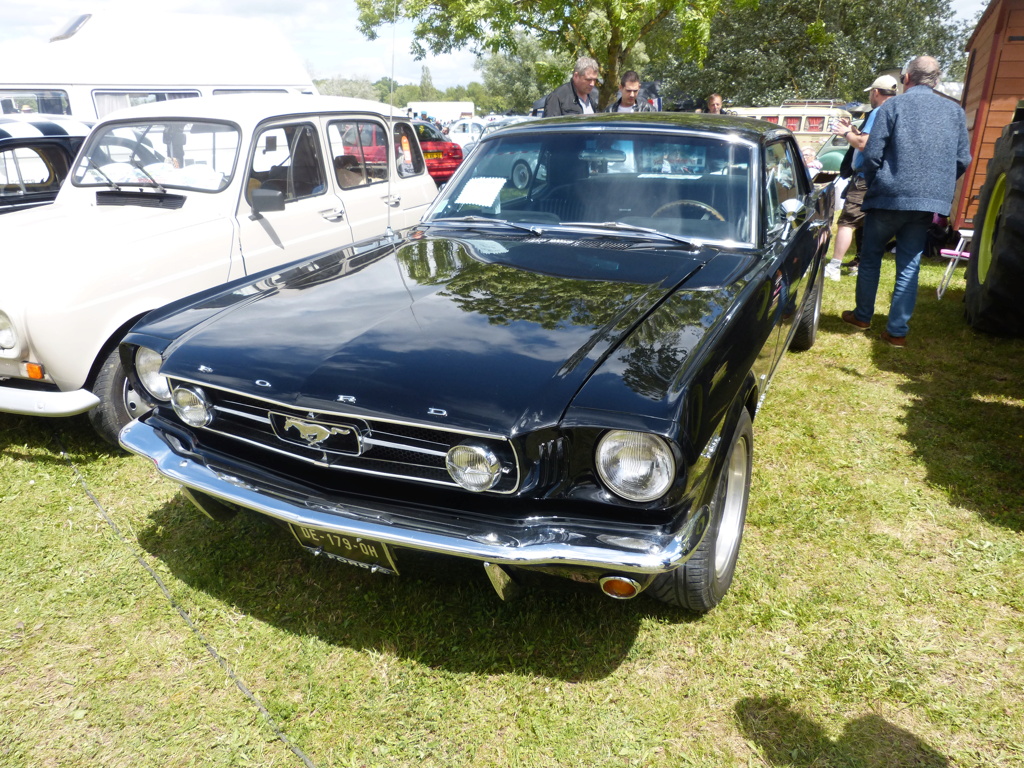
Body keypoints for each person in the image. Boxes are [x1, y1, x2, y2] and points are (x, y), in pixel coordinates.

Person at [842, 56, 971, 347]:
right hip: (927, 203)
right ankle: (896, 333)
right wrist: (937, 187)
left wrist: (876, 183)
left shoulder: (893, 106)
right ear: (936, 80)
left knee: (871, 257)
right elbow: (963, 159)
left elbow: (873, 153)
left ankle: (863, 316)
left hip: (888, 196)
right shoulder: (955, 112)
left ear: (907, 78)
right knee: (909, 264)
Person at [823, 74, 899, 281]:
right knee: (868, 222)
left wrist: (846, 133)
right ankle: (858, 263)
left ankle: (835, 266)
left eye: (871, 94)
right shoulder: (897, 110)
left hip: (865, 176)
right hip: (883, 176)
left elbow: (864, 144)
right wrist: (853, 131)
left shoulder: (878, 111)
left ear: (875, 92)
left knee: (848, 221)